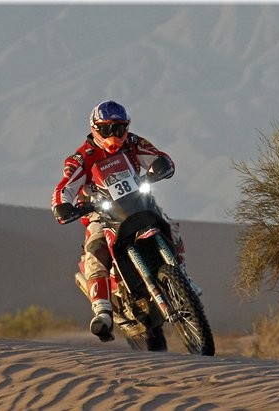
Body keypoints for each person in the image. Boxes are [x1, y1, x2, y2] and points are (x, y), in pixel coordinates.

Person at [51, 100, 200, 342]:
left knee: (170, 226)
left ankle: (182, 277)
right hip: (101, 213)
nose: (113, 135)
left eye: (119, 128)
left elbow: (158, 157)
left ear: (126, 128)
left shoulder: (133, 143)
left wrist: (161, 166)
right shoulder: (81, 158)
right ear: (95, 128)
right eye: (106, 129)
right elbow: (64, 188)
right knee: (95, 250)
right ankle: (103, 313)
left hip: (138, 202)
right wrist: (62, 205)